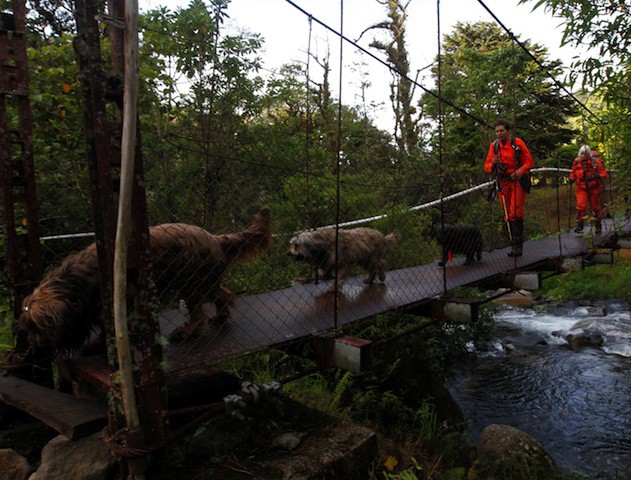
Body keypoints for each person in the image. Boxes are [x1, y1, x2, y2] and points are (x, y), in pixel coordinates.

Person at [484, 119, 535, 257]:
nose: (499, 133)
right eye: (497, 131)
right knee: (508, 215)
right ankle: (514, 245)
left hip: (517, 181)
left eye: (502, 131)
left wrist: (520, 171)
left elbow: (529, 161)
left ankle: (518, 244)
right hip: (502, 183)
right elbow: (487, 167)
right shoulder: (494, 146)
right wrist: (493, 164)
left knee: (515, 212)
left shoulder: (517, 143)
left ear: (508, 131)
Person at [569, 145, 608, 233]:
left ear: (589, 154)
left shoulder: (595, 162)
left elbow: (604, 174)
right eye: (582, 154)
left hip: (594, 188)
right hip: (581, 187)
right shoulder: (576, 162)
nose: (583, 156)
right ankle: (580, 224)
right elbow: (573, 173)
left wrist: (597, 175)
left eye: (585, 154)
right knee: (581, 205)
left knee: (595, 207)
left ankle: (597, 224)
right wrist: (571, 179)